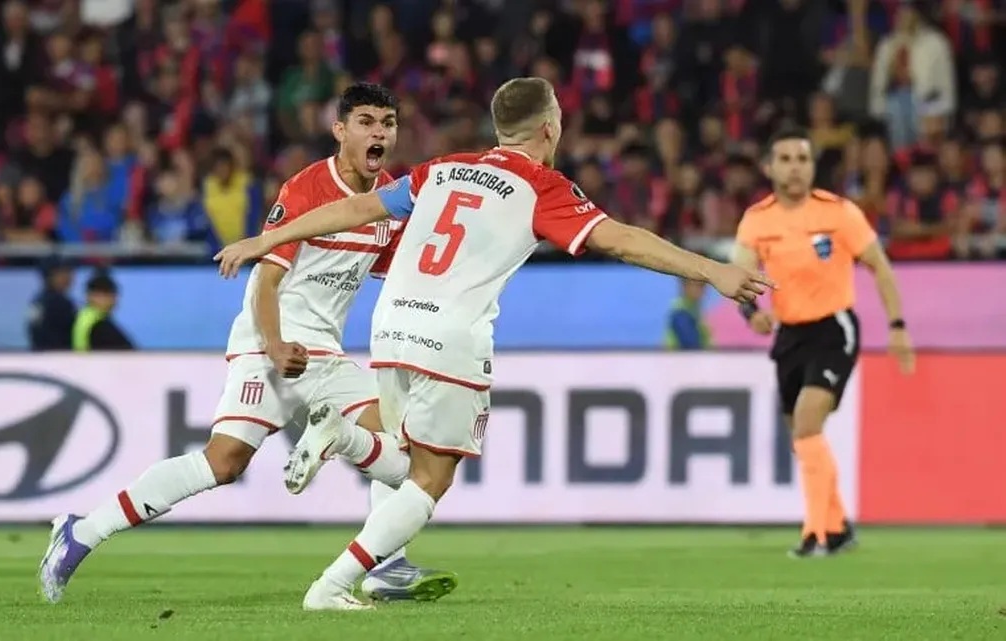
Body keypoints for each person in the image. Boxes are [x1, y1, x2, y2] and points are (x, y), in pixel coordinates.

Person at [214, 77, 772, 611]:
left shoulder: (445, 167)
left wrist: (268, 238)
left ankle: (366, 508)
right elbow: (623, 241)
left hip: (389, 330)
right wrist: (710, 270)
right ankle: (333, 575)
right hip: (451, 336)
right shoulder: (541, 186)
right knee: (430, 480)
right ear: (550, 129)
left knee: (404, 459)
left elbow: (356, 208)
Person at [39, 83, 457, 605]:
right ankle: (82, 531)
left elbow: (396, 271)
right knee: (224, 462)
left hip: (324, 353)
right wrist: (276, 343)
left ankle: (384, 564)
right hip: (269, 345)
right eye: (367, 121)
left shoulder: (387, 202)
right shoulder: (307, 189)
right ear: (340, 129)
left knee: (399, 450)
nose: (379, 132)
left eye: (388, 123)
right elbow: (266, 280)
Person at [731, 126, 915, 558]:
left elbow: (880, 267)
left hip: (834, 329)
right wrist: (751, 312)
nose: (796, 168)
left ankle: (816, 535)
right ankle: (838, 527)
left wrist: (898, 325)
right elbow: (740, 272)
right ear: (769, 167)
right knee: (802, 437)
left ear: (813, 166)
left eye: (803, 159)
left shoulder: (840, 213)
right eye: (787, 159)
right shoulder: (758, 219)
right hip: (790, 335)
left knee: (809, 423)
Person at [71, 269, 135, 351]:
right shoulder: (99, 324)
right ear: (90, 296)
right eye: (107, 295)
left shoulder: (82, 316)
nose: (113, 300)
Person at [27, 256, 77, 351]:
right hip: (57, 357)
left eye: (70, 272)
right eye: (63, 272)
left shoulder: (38, 300)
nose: (69, 277)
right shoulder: (59, 303)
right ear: (49, 276)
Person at [665, 278, 711, 350]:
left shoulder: (694, 311)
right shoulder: (681, 315)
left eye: (703, 285)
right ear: (684, 285)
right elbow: (692, 348)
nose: (701, 290)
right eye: (697, 285)